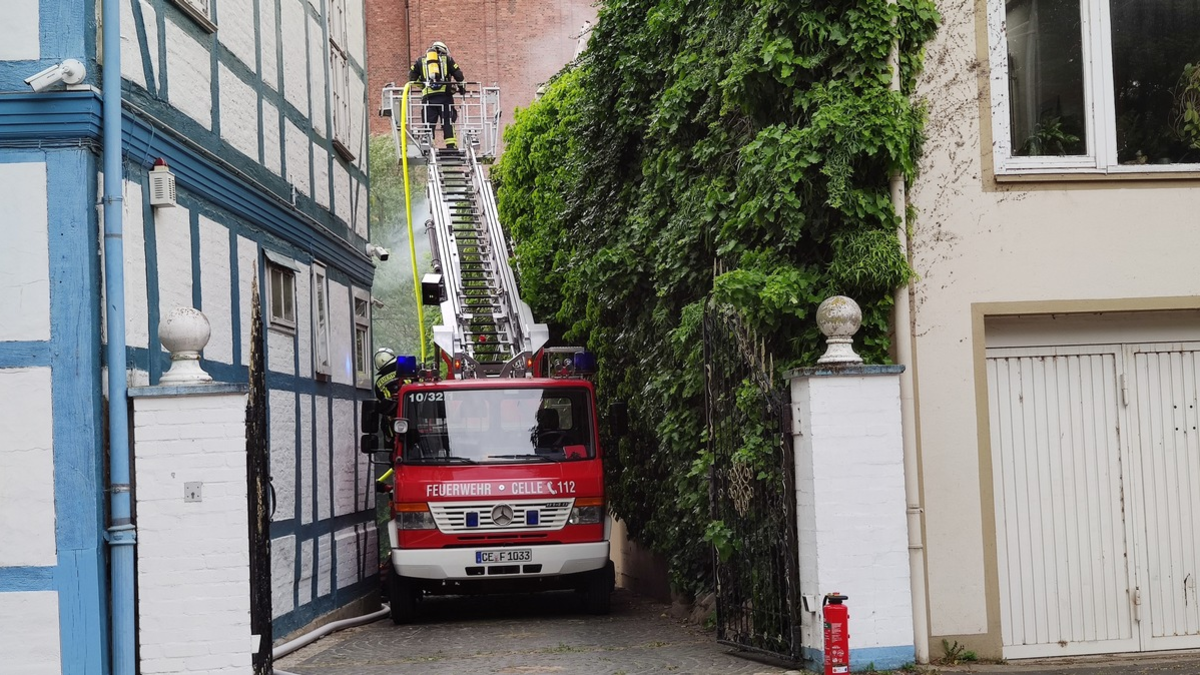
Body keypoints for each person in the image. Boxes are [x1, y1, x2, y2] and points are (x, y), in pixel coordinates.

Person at [409, 41, 465, 148]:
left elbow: (411, 78)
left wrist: (423, 86)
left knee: (429, 123)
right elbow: (459, 76)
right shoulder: (447, 60)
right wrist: (462, 89)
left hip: (428, 98)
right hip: (445, 98)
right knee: (448, 121)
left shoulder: (420, 61)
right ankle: (451, 146)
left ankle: (429, 145)